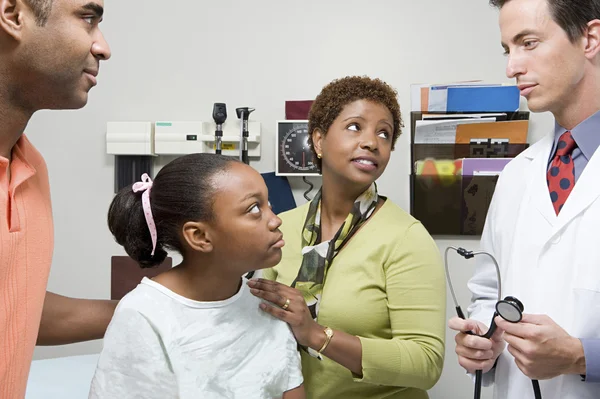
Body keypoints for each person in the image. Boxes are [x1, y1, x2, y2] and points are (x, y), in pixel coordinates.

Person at [250, 76, 446, 399]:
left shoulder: (406, 238)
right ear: (318, 140)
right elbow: (257, 329)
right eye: (355, 126)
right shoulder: (280, 228)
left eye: (384, 133)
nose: (372, 142)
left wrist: (317, 335)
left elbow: (426, 363)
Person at [448, 0, 600, 398]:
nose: (512, 67)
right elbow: (488, 291)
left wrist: (583, 357)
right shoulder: (517, 174)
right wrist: (484, 339)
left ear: (591, 38)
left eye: (528, 43)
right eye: (507, 49)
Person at [89, 153, 305, 399]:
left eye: (270, 205)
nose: (276, 221)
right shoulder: (144, 315)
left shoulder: (268, 304)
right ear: (200, 236)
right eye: (254, 208)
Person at [0, 0, 116, 397]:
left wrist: (158, 305)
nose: (103, 47)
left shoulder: (31, 167)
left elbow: (17, 307)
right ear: (13, 15)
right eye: (88, 19)